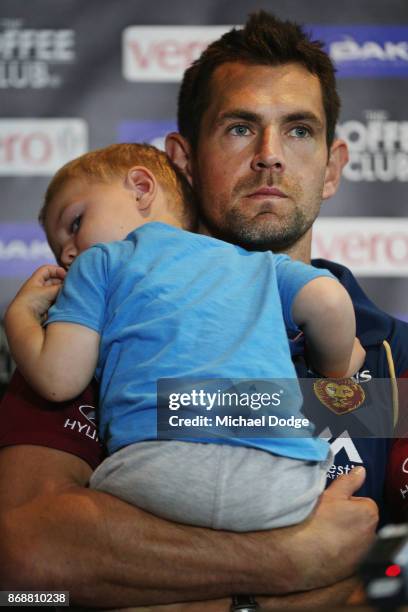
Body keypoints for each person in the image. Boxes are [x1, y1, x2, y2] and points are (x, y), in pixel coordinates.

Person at [1, 9, 403, 610]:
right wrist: (286, 564)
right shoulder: (89, 322)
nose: (270, 155)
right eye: (240, 127)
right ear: (184, 161)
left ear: (332, 167)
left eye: (299, 130)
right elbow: (25, 572)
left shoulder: (392, 354)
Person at [5, 142, 364, 534]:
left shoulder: (101, 261)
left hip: (156, 469)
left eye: (74, 224)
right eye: (60, 252)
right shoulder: (258, 263)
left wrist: (19, 317)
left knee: (91, 544)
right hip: (283, 476)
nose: (69, 255)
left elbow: (58, 381)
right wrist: (336, 368)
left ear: (141, 187)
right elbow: (329, 302)